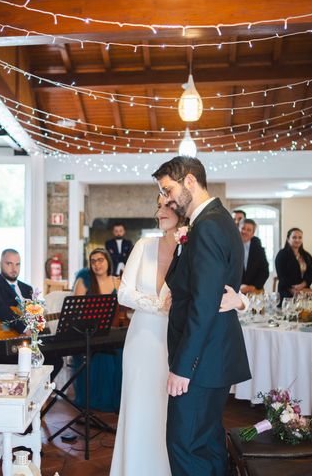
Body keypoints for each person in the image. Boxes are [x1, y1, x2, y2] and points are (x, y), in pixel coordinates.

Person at [110, 196, 249, 475]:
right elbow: (123, 292)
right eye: (158, 207)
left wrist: (242, 301)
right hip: (145, 337)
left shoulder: (193, 246)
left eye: (166, 206)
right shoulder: (144, 246)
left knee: (174, 415)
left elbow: (214, 290)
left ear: (181, 214)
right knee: (142, 407)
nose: (159, 212)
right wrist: (156, 305)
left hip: (181, 341)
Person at [153, 156, 251, 476]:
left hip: (201, 361)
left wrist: (184, 367)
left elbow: (204, 304)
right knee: (205, 442)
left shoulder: (208, 225)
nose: (166, 198)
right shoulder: (216, 219)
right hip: (213, 358)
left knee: (183, 445)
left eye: (168, 189)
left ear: (190, 182)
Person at [72, 248, 122, 412]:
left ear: (108, 261)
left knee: (122, 351)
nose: (97, 264)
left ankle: (117, 400)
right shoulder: (84, 281)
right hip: (88, 334)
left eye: (100, 260)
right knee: (102, 356)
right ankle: (97, 400)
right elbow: (74, 311)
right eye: (93, 261)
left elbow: (125, 307)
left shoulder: (118, 282)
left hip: (111, 332)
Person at [0, 249, 32, 333]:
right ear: (0, 264)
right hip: (0, 336)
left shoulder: (27, 289)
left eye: (17, 264)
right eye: (9, 263)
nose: (14, 268)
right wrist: (24, 329)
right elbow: (1, 309)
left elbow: (30, 315)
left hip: (25, 339)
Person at [275, 227, 312, 300]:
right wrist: (292, 289)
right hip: (286, 293)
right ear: (288, 239)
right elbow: (281, 275)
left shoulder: (307, 256)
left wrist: (302, 285)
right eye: (294, 237)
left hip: (304, 292)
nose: (297, 240)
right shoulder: (281, 255)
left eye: (300, 237)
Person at [240, 219, 270, 294]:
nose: (244, 232)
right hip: (235, 290)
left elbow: (264, 271)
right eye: (243, 228)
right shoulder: (230, 246)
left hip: (254, 290)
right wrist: (239, 286)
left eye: (248, 230)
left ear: (253, 234)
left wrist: (253, 286)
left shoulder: (258, 248)